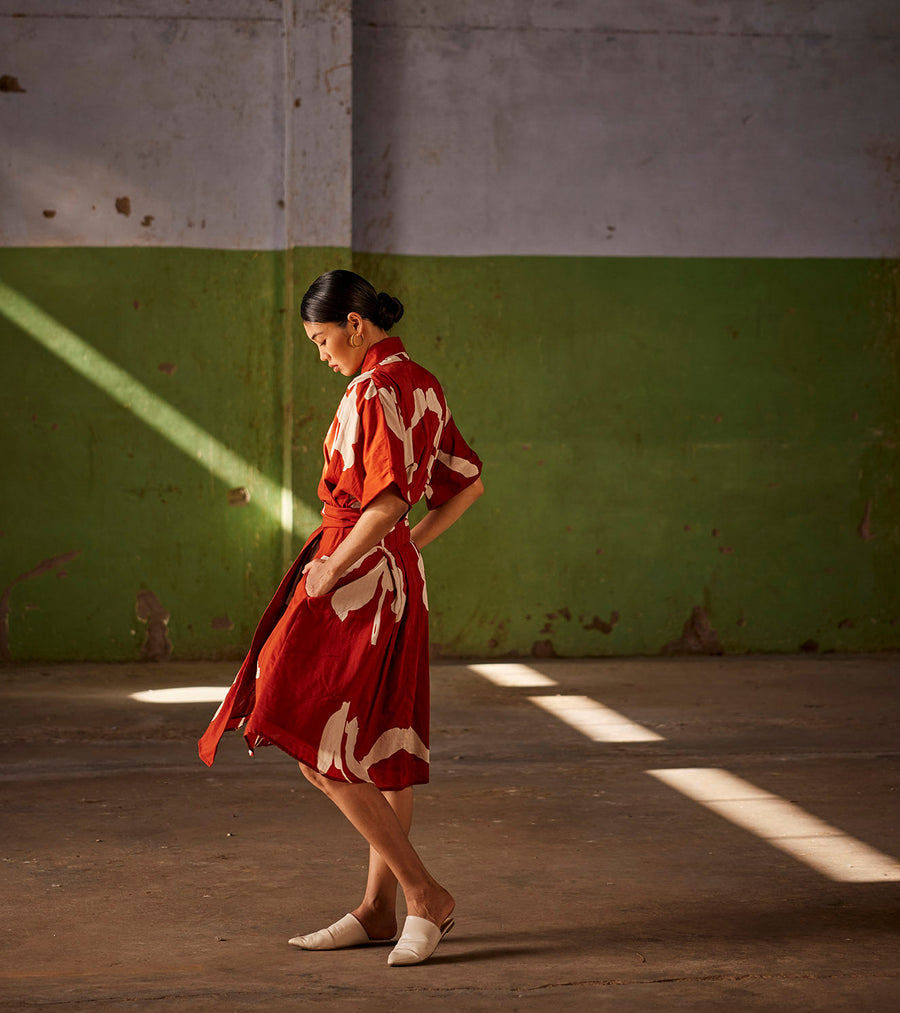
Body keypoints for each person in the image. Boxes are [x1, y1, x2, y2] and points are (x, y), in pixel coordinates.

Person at [199, 270, 484, 967]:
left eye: (323, 339)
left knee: (307, 731)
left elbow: (384, 502)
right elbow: (467, 482)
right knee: (381, 741)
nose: (322, 355)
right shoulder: (422, 382)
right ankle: (378, 907)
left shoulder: (373, 389)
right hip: (398, 579)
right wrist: (408, 548)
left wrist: (332, 568)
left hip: (353, 575)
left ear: (355, 324)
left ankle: (424, 895)